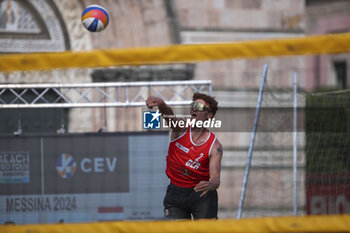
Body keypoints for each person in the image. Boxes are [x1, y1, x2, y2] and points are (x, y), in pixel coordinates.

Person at [146, 92, 223, 219]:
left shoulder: (215, 146)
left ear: (209, 115)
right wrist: (161, 104)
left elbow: (215, 179)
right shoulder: (180, 129)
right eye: (193, 105)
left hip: (202, 194)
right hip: (176, 193)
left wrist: (212, 184)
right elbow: (169, 116)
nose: (194, 108)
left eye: (200, 107)